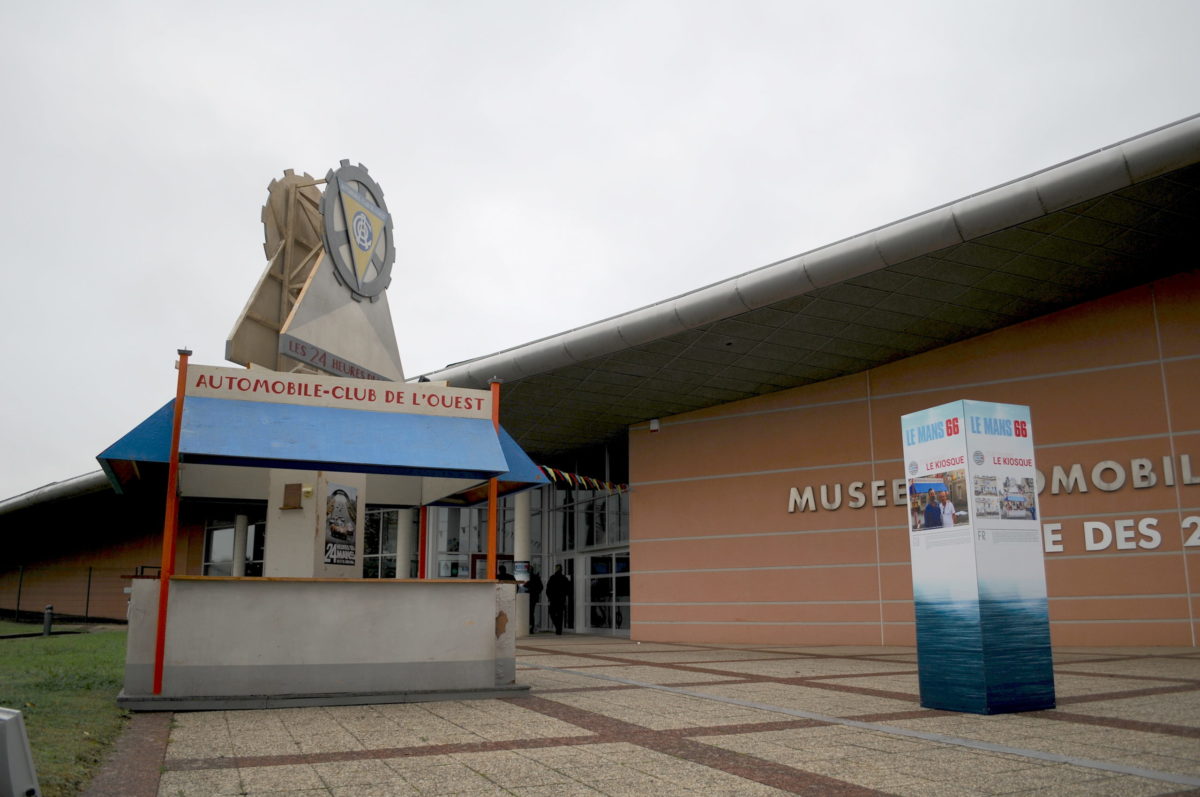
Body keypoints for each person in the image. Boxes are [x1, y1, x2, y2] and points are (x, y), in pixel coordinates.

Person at [546, 564, 570, 635]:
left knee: (552, 613)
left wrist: (550, 597)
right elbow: (568, 589)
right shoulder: (564, 578)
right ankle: (559, 629)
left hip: (553, 599)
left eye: (556, 568)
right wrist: (564, 595)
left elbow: (548, 589)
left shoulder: (552, 578)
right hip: (561, 599)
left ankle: (558, 627)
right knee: (560, 615)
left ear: (556, 569)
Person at [526, 568, 543, 633]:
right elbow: (541, 587)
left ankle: (530, 627)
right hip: (533, 597)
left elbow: (540, 587)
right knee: (531, 613)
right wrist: (536, 593)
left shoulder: (529, 578)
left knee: (530, 613)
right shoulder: (536, 577)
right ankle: (531, 628)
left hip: (529, 597)